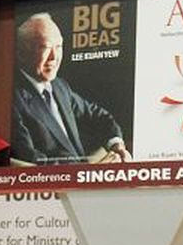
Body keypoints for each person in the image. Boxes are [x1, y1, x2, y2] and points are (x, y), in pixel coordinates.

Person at [11, 12, 131, 165]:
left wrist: (117, 145)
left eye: (59, 46)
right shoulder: (12, 100)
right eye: (46, 47)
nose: (54, 57)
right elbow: (32, 161)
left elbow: (99, 117)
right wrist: (90, 173)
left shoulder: (60, 86)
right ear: (22, 53)